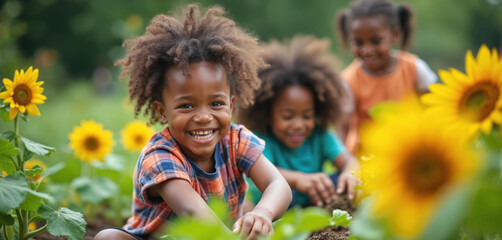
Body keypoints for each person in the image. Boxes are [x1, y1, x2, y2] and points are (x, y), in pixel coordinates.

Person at [94, 4, 291, 240]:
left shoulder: (236, 140)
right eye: (187, 106)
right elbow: (192, 211)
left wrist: (263, 212)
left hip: (224, 235)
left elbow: (278, 184)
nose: (203, 117)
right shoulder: (160, 155)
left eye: (216, 104)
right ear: (162, 111)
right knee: (108, 238)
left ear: (231, 104)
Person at [238, 35, 360, 209]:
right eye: (287, 117)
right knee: (283, 193)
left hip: (314, 200)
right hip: (277, 206)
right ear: (267, 114)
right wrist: (298, 179)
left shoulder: (320, 135)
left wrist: (350, 173)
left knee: (341, 182)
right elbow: (263, 174)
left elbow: (348, 160)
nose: (298, 125)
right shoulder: (261, 140)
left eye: (307, 116)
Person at [336, 0, 437, 153]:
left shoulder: (415, 69)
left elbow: (434, 109)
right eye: (358, 42)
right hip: (364, 159)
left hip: (409, 154)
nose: (367, 50)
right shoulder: (348, 80)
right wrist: (345, 165)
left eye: (376, 41)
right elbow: (341, 128)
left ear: (395, 35)